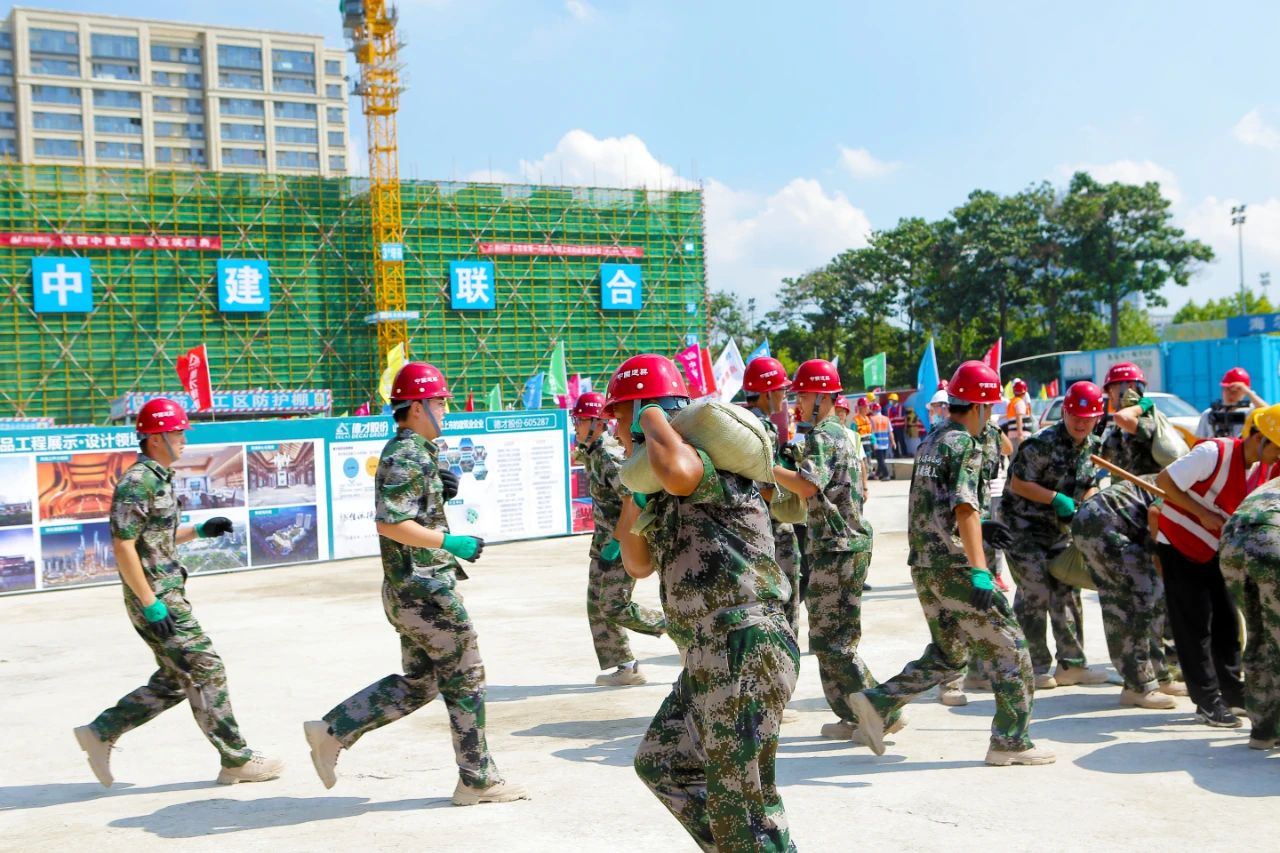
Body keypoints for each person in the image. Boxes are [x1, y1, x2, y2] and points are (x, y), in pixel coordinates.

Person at [303, 362, 527, 806]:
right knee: (466, 676)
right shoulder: (408, 454)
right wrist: (451, 540)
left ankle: (333, 731)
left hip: (413, 590)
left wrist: (438, 492)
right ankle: (476, 779)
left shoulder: (414, 451)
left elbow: (407, 510)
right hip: (425, 592)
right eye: (441, 401)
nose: (446, 408)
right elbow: (391, 524)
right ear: (419, 406)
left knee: (422, 681)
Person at [610, 353, 798, 853]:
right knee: (662, 762)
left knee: (746, 812)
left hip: (744, 645)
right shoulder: (663, 489)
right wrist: (634, 480)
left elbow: (676, 467)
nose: (612, 426)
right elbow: (636, 562)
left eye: (618, 414)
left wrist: (649, 417)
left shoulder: (706, 471)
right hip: (709, 654)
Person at [848, 360, 1052, 766]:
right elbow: (964, 506)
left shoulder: (933, 439)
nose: (990, 416)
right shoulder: (966, 444)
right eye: (989, 409)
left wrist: (983, 526)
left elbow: (937, 503)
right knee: (1013, 649)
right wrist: (980, 567)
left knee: (949, 653)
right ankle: (1010, 742)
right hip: (956, 567)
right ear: (978, 408)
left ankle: (878, 702)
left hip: (924, 564)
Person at [74, 398, 283, 788]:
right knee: (206, 666)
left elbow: (156, 539)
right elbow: (123, 546)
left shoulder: (159, 478)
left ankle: (102, 730)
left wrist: (201, 531)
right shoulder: (138, 482)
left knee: (176, 677)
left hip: (166, 593)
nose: (183, 438)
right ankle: (236, 758)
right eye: (177, 431)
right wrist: (150, 603)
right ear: (155, 437)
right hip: (156, 599)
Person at [773, 359, 889, 743]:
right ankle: (850, 714)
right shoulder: (837, 433)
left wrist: (766, 467)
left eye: (803, 395)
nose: (798, 403)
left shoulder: (824, 435)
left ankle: (884, 707)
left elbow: (807, 487)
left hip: (838, 547)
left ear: (822, 396)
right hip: (837, 545)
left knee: (832, 641)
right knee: (829, 639)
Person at [1154, 403, 1280, 727]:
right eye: (1276, 448)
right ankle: (1206, 700)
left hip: (1217, 550)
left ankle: (1231, 690)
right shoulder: (1213, 452)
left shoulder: (1264, 469)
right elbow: (1164, 481)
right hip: (1179, 543)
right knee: (1193, 624)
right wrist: (1201, 513)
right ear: (1259, 438)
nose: (1277, 456)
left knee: (1226, 621)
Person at [1001, 381, 1110, 689]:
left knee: (1067, 589)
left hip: (1060, 530)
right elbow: (1019, 484)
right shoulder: (1040, 444)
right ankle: (1032, 666)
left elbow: (1091, 481)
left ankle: (1072, 664)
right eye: (1075, 415)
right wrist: (1056, 499)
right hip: (1021, 527)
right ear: (1064, 412)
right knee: (1034, 590)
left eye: (1088, 417)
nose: (1080, 422)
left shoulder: (1095, 446)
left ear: (1097, 418)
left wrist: (1088, 498)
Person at [573, 391, 667, 687]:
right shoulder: (593, 452)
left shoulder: (608, 455)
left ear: (596, 422)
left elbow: (631, 498)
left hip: (620, 541)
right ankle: (625, 666)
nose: (575, 426)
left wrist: (618, 541)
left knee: (614, 604)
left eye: (579, 420)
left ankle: (674, 626)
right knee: (595, 605)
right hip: (603, 542)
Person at [1073, 475, 1187, 709]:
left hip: (1121, 525)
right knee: (1130, 605)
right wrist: (1160, 560)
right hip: (1105, 527)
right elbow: (1157, 514)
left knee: (1153, 598)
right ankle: (1138, 686)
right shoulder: (1197, 482)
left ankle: (1158, 675)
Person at [1219, 422, 1280, 749]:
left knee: (1258, 634)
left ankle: (1263, 730)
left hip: (1232, 540)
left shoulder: (1271, 483)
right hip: (1272, 539)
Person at [744, 355, 804, 643]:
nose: (785, 396)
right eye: (782, 390)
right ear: (767, 392)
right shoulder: (764, 427)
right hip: (772, 523)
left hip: (747, 524)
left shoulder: (742, 421)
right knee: (788, 587)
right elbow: (766, 484)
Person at [1098, 362, 1162, 476]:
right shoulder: (1118, 427)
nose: (1109, 396)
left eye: (1112, 390)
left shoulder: (1145, 417)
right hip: (1125, 490)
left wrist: (1142, 405)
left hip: (1145, 490)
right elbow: (1103, 458)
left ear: (1130, 387)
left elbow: (1121, 417)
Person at [1196, 367, 1268, 439]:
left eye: (1235, 391)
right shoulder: (1209, 414)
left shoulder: (1250, 412)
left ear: (1244, 392)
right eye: (1227, 389)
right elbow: (1199, 440)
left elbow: (1268, 413)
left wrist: (1249, 393)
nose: (1230, 394)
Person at [1004, 378, 1033, 452]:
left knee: (1014, 458)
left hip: (1012, 435)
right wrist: (1020, 435)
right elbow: (1019, 418)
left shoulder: (1012, 402)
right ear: (1024, 391)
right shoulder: (1020, 402)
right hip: (1020, 435)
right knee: (1021, 458)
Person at [869, 402, 896, 480]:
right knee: (881, 460)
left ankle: (886, 475)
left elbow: (871, 432)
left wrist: (873, 442)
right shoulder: (886, 419)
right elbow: (890, 431)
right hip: (885, 443)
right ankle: (877, 474)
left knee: (880, 460)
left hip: (877, 443)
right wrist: (893, 442)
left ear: (873, 410)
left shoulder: (872, 419)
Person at [886, 392, 907, 458]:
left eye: (891, 400)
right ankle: (896, 454)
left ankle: (904, 453)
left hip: (900, 427)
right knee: (894, 441)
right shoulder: (889, 409)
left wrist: (905, 427)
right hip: (893, 428)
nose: (890, 401)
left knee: (901, 441)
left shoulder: (901, 407)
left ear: (895, 400)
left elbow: (905, 418)